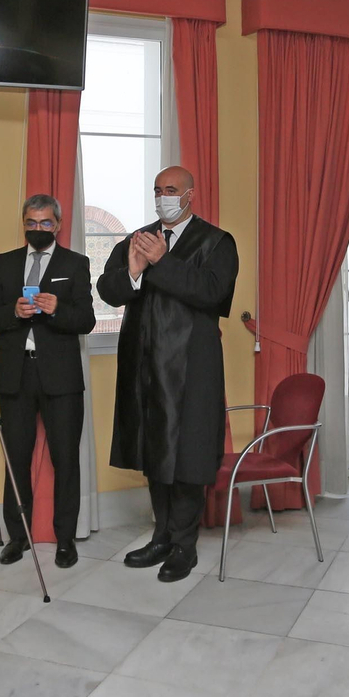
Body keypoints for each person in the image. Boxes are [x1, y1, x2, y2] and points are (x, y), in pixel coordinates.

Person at [98, 166, 238, 582]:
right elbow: (107, 291)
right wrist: (134, 270)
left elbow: (212, 293)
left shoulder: (217, 241)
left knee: (189, 455)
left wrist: (163, 261)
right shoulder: (138, 239)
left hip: (193, 367)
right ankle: (161, 536)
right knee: (153, 451)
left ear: (190, 195)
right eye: (158, 190)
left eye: (171, 190)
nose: (163, 197)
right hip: (145, 365)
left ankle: (184, 545)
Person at [0, 194, 96, 568]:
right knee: (16, 458)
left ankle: (65, 540)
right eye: (31, 222)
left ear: (58, 225)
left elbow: (87, 321)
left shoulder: (75, 264)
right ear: (24, 224)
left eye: (45, 223)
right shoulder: (5, 263)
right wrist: (13, 311)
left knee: (66, 459)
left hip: (61, 377)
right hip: (15, 374)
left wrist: (57, 309)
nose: (38, 228)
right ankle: (18, 537)